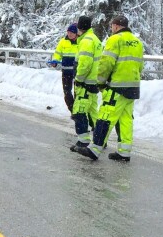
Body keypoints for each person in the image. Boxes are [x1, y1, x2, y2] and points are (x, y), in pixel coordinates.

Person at [76, 14, 144, 162]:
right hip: (132, 87)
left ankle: (94, 149)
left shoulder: (115, 39)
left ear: (116, 26)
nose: (111, 28)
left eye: (112, 26)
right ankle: (124, 152)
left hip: (116, 87)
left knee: (105, 117)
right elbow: (140, 66)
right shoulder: (137, 42)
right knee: (125, 119)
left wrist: (101, 82)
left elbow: (106, 63)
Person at [69, 15, 101, 152]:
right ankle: (100, 140)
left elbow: (85, 64)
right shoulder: (95, 39)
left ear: (79, 27)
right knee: (93, 112)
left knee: (79, 111)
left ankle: (83, 141)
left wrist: (79, 79)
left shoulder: (86, 41)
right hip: (94, 81)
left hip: (85, 83)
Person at [48, 23, 79, 111]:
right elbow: (57, 53)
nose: (69, 34)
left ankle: (77, 111)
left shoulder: (81, 42)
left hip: (77, 72)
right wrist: (55, 61)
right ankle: (72, 109)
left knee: (78, 93)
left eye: (71, 32)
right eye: (68, 32)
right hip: (66, 71)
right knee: (67, 92)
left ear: (76, 33)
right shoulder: (63, 41)